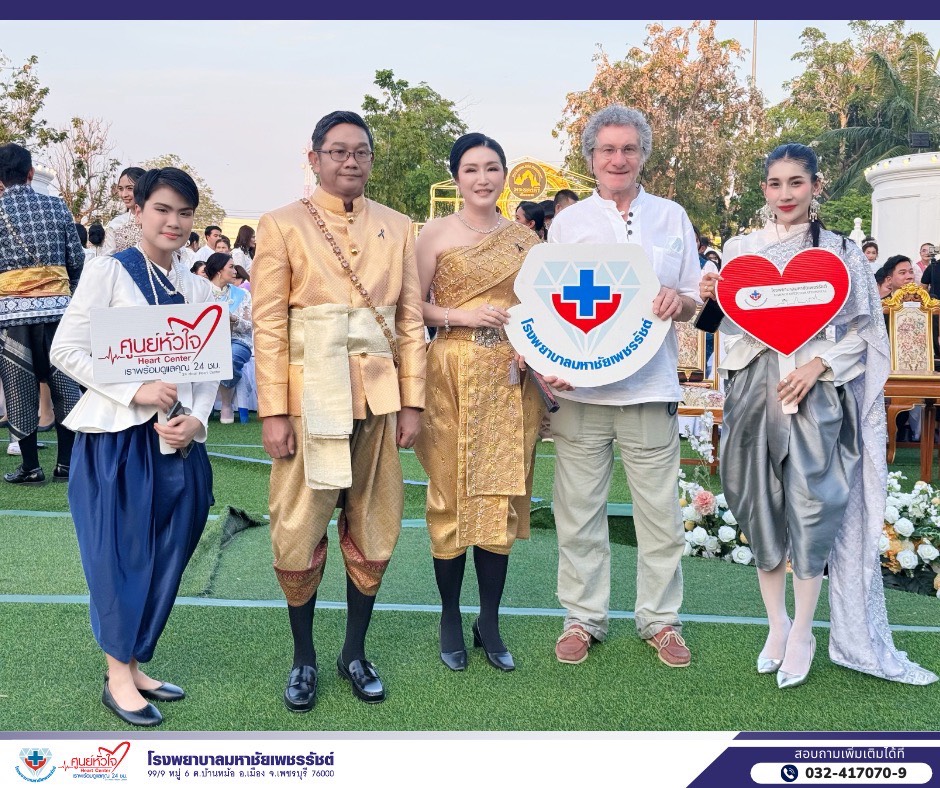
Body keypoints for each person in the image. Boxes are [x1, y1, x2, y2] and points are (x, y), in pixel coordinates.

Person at [700, 143, 936, 689]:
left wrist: (818, 364)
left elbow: (864, 330)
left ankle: (804, 631)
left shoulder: (842, 250)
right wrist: (711, 296)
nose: (785, 194)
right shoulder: (740, 248)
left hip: (817, 391)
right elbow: (726, 324)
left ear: (815, 186)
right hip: (754, 388)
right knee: (758, 503)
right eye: (775, 183)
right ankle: (776, 626)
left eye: (796, 182)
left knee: (812, 508)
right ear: (764, 188)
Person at [252, 110, 425, 711]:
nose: (351, 161)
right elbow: (268, 323)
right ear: (315, 158)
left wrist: (412, 402)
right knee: (297, 528)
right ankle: (303, 658)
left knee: (375, 524)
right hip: (307, 401)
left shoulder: (398, 226)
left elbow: (409, 319)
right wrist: (272, 411)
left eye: (361, 151)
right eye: (338, 151)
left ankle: (354, 652)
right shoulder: (281, 224)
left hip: (378, 398)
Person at [50, 167, 217, 726]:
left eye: (185, 212)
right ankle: (117, 675)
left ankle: (134, 661)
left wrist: (196, 420)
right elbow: (65, 350)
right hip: (117, 443)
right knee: (118, 556)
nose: (174, 222)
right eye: (162, 209)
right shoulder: (109, 271)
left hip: (177, 444)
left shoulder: (197, 287)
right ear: (139, 211)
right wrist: (133, 389)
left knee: (169, 551)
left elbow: (206, 369)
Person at [546, 105, 700, 668]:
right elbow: (551, 307)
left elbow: (692, 298)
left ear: (643, 155)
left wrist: (678, 300)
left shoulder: (671, 217)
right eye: (607, 149)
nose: (618, 159)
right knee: (578, 514)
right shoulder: (569, 225)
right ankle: (583, 618)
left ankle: (661, 620)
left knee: (660, 517)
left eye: (628, 149)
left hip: (650, 389)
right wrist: (551, 362)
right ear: (591, 157)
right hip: (581, 396)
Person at [413, 133, 542, 673]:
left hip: (511, 379)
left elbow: (541, 312)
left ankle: (489, 620)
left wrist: (537, 355)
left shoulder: (525, 242)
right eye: (471, 169)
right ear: (456, 178)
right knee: (449, 494)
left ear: (505, 175)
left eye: (492, 168)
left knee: (501, 496)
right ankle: (449, 615)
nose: (483, 178)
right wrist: (462, 316)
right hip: (450, 372)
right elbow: (410, 306)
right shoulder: (434, 234)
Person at [0, 143, 83, 485]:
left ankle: (30, 467)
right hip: (59, 314)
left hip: (12, 317)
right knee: (65, 385)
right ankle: (66, 464)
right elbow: (76, 259)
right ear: (31, 173)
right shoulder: (57, 206)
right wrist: (67, 294)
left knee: (19, 388)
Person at [205, 252, 252, 424]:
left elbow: (249, 325)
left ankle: (226, 404)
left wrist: (234, 319)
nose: (235, 271)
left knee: (229, 356)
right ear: (219, 270)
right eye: (231, 267)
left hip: (238, 340)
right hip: (207, 342)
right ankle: (203, 404)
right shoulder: (202, 292)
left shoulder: (242, 294)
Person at [103, 166, 146, 254]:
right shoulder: (116, 224)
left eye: (130, 188)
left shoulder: (159, 220)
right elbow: (108, 257)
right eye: (120, 189)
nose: (124, 194)